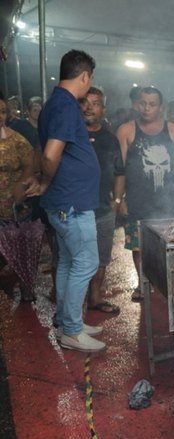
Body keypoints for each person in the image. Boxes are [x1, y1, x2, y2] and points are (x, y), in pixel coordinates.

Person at [23, 49, 105, 352]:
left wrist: (46, 180)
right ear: (84, 76)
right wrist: (45, 180)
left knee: (70, 262)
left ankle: (67, 319)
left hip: (67, 199)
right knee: (87, 262)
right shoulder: (66, 106)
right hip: (71, 202)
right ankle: (71, 331)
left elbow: (44, 149)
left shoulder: (54, 104)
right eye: (90, 79)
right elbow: (50, 153)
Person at [116, 86, 174, 301]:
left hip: (169, 197)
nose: (146, 108)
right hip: (137, 198)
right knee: (138, 245)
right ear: (136, 104)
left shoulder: (171, 129)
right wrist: (120, 198)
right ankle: (142, 282)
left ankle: (166, 280)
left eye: (152, 104)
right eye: (143, 103)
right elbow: (119, 167)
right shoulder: (126, 130)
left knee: (169, 241)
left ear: (160, 107)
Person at [82, 87, 124, 315]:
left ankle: (95, 299)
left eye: (95, 103)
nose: (89, 107)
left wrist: (117, 201)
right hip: (76, 210)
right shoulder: (72, 135)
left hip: (103, 208)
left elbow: (120, 171)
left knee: (101, 257)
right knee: (74, 259)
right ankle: (69, 306)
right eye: (85, 103)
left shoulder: (110, 138)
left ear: (103, 109)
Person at [0, 95, 38, 302]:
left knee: (20, 251)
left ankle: (25, 288)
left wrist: (22, 186)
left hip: (15, 208)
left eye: (3, 111)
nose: (0, 116)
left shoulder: (16, 139)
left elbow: (32, 164)